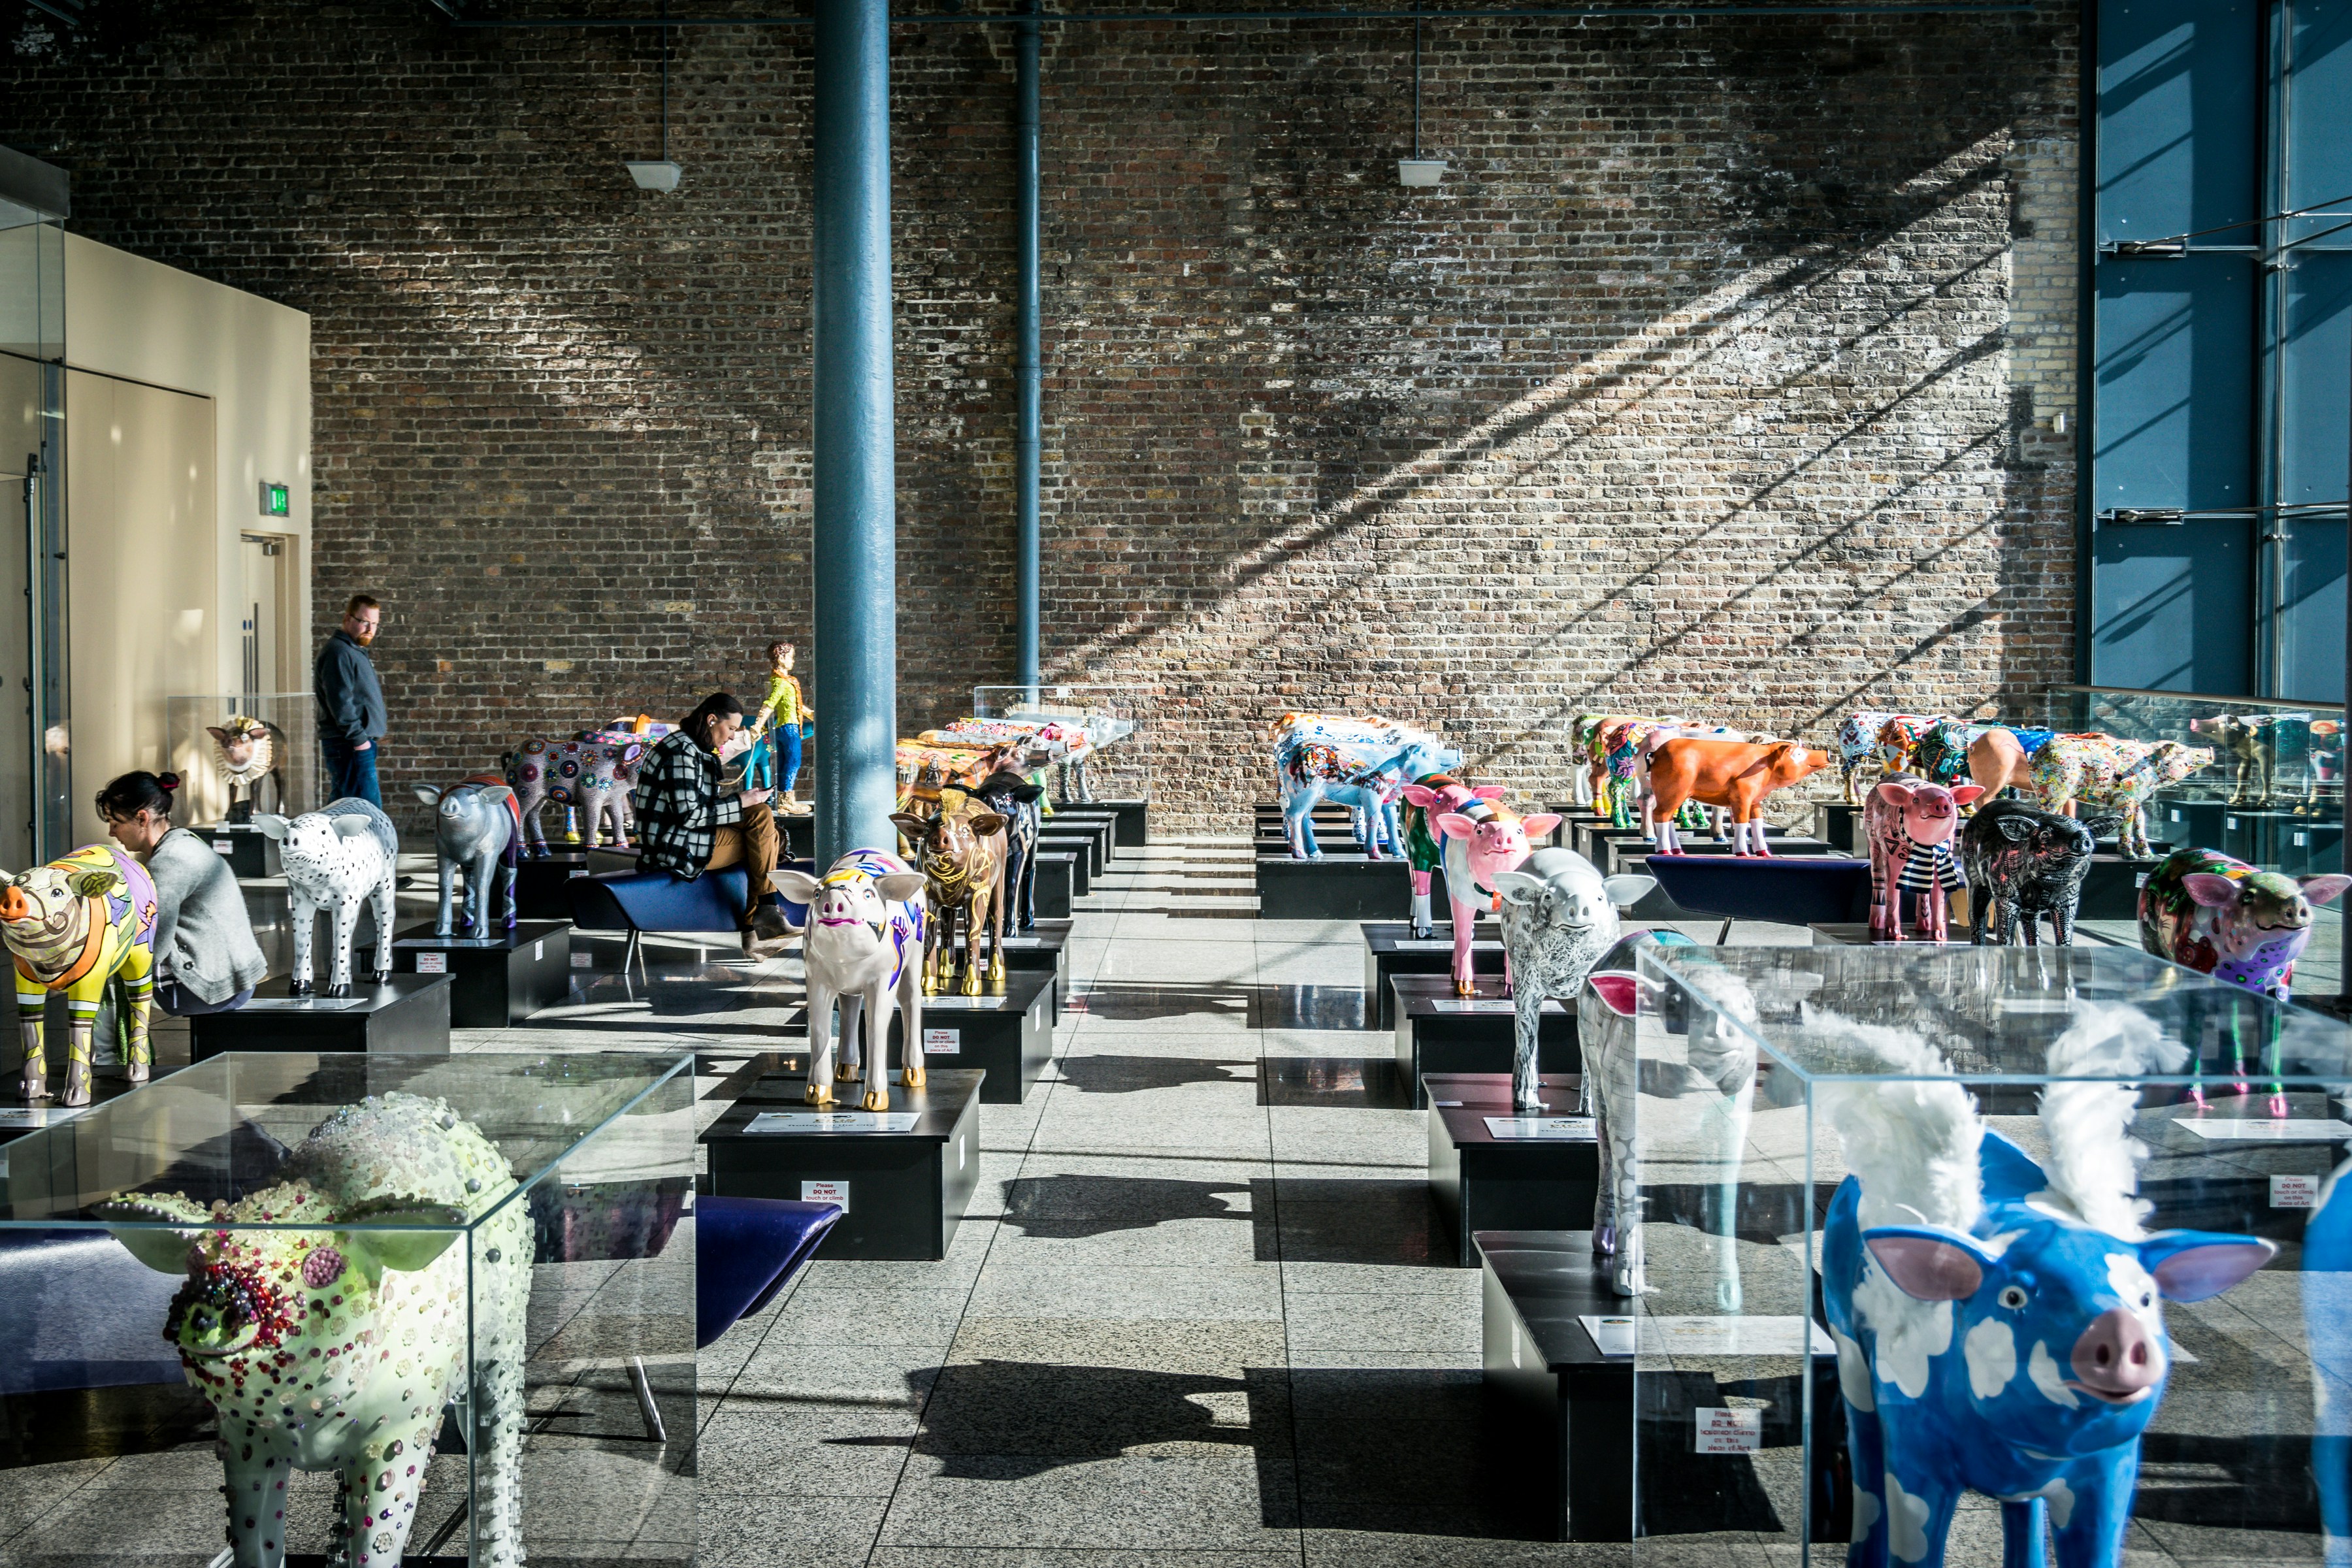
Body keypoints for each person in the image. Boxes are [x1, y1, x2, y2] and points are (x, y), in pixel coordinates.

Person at [634, 692, 794, 955]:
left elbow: (700, 809)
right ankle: (758, 920)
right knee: (767, 840)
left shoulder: (691, 747)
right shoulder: (681, 752)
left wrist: (747, 802)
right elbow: (689, 815)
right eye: (731, 728)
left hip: (688, 835)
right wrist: (740, 801)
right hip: (672, 846)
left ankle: (764, 915)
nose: (732, 736)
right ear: (711, 720)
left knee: (761, 813)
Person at [97, 771, 269, 1016]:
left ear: (142, 818)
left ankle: (109, 1043)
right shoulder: (184, 841)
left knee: (100, 981)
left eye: (115, 823)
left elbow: (154, 944)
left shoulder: (168, 862)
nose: (112, 833)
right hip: (236, 980)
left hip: (209, 989)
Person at [316, 593, 386, 805]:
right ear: (348, 619)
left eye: (375, 624)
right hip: (350, 745)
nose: (370, 629)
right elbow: (341, 703)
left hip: (355, 744)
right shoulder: (339, 653)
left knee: (344, 809)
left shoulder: (353, 651)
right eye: (365, 622)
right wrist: (360, 742)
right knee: (368, 812)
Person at [749, 640, 815, 813]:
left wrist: (813, 715)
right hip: (789, 728)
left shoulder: (787, 682)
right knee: (793, 762)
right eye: (791, 657)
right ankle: (786, 800)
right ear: (781, 658)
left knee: (786, 763)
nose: (793, 661)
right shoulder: (781, 682)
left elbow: (796, 705)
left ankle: (783, 799)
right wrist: (757, 726)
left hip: (786, 727)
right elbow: (769, 704)